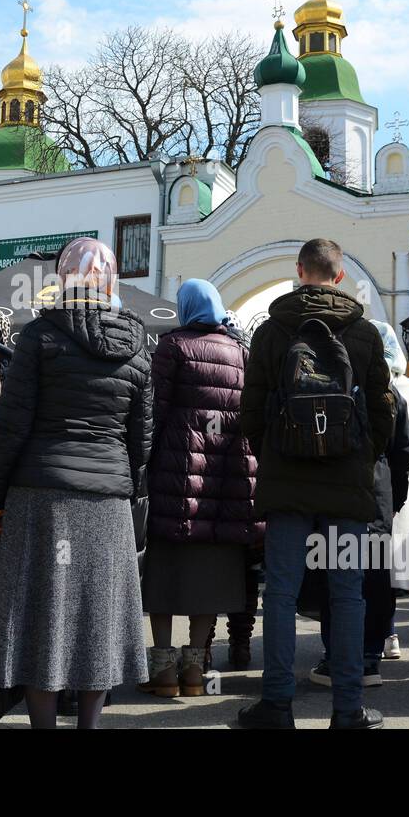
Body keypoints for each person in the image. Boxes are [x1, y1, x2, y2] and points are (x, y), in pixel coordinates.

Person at [0, 236, 151, 729]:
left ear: (62, 278)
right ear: (112, 279)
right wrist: (128, 488)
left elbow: (11, 427)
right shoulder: (137, 345)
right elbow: (142, 442)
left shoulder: (38, 336)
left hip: (41, 496)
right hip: (108, 500)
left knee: (39, 615)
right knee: (98, 619)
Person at [237, 237, 394, 730]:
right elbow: (383, 410)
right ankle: (348, 710)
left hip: (287, 483)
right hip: (346, 485)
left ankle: (277, 705)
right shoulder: (365, 332)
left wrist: (276, 452)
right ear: (340, 276)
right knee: (348, 594)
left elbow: (251, 411)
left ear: (299, 271)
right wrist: (362, 456)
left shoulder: (270, 330)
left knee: (281, 592)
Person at [140, 279, 258, 698]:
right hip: (225, 483)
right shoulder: (241, 352)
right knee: (209, 577)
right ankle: (194, 674)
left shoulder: (173, 347)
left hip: (176, 478)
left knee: (164, 577)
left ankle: (164, 673)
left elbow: (153, 414)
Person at [308, 319, 409, 689]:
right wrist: (393, 502)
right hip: (377, 495)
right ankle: (369, 657)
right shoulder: (391, 394)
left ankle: (335, 657)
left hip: (337, 495)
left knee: (336, 574)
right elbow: (403, 455)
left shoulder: (334, 386)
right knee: (374, 578)